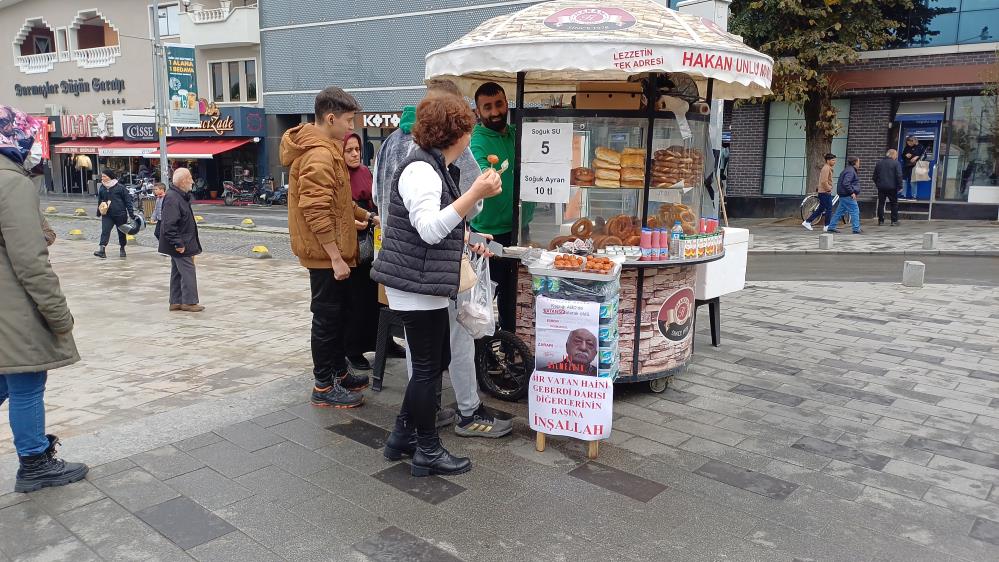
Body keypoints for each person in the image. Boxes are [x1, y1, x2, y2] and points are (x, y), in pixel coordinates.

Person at [371, 94, 503, 476]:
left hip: (420, 279)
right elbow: (429, 230)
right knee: (428, 369)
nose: (471, 134)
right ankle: (427, 449)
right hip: (416, 283)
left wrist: (467, 236)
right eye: (467, 127)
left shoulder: (432, 165)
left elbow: (431, 227)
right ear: (455, 133)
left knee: (432, 363)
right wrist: (474, 194)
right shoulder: (422, 170)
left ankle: (401, 437)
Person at [0, 104, 88, 492]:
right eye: (29, 136)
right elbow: (30, 262)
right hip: (12, 307)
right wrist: (59, 315)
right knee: (26, 381)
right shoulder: (10, 182)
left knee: (4, 381)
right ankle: (35, 463)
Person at [281, 86, 374, 409]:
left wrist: (364, 215)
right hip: (324, 257)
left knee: (337, 315)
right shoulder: (319, 154)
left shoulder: (326, 148)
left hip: (330, 254)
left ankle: (337, 371)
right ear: (330, 117)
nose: (352, 128)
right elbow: (316, 209)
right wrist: (335, 256)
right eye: (348, 121)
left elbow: (337, 200)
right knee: (326, 317)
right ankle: (323, 385)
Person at [470, 82, 533, 332]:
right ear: (478, 111)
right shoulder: (478, 141)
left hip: (521, 229)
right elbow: (484, 177)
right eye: (487, 107)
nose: (495, 111)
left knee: (515, 298)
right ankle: (482, 357)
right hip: (488, 234)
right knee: (485, 300)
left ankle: (508, 351)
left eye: (498, 104)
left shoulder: (518, 133)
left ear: (507, 103)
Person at [343, 132, 383, 371]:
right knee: (355, 299)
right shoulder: (339, 176)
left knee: (376, 295)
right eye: (349, 150)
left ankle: (381, 342)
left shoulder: (366, 172)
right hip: (353, 244)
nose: (355, 153)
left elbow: (374, 199)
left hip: (371, 236)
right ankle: (353, 349)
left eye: (357, 149)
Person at [159, 168, 204, 312]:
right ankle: (189, 302)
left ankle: (176, 301)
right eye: (190, 178)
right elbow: (169, 224)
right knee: (188, 270)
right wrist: (178, 243)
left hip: (184, 240)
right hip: (181, 242)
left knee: (177, 271)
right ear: (183, 181)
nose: (192, 181)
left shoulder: (179, 195)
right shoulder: (173, 198)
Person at [94, 169, 134, 259]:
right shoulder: (102, 187)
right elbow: (100, 200)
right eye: (102, 176)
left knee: (121, 232)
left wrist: (131, 213)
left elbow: (128, 201)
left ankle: (122, 248)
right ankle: (102, 250)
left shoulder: (120, 187)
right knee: (105, 231)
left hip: (120, 214)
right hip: (107, 214)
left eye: (104, 176)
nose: (102, 178)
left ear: (110, 176)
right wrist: (98, 211)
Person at [825, 156, 863, 234]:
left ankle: (831, 227)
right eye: (858, 162)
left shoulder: (848, 170)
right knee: (855, 210)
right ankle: (856, 228)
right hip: (847, 195)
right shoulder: (850, 171)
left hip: (843, 194)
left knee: (839, 211)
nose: (859, 164)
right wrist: (851, 192)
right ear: (855, 163)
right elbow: (846, 183)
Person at [802, 153, 836, 231]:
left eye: (834, 160)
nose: (834, 162)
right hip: (825, 192)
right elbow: (824, 181)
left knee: (821, 209)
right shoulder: (826, 168)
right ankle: (827, 226)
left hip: (823, 191)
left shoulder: (827, 168)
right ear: (828, 161)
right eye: (833, 160)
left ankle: (808, 222)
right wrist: (828, 189)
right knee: (829, 209)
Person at [873, 149, 904, 226]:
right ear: (892, 155)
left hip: (881, 187)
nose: (896, 156)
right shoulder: (896, 163)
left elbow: (874, 177)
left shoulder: (879, 163)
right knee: (894, 204)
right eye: (896, 155)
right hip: (892, 187)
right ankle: (894, 221)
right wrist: (900, 186)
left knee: (881, 203)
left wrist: (878, 184)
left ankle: (881, 221)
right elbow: (899, 176)